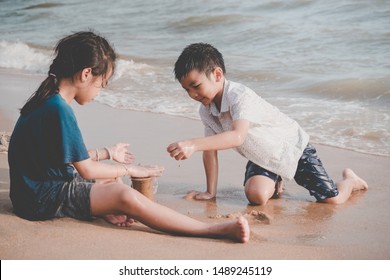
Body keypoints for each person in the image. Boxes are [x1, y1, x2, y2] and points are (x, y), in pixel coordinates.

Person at [7, 32, 249, 243]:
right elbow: (87, 171)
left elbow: (62, 157)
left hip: (31, 193)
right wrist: (131, 170)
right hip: (40, 200)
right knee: (122, 194)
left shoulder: (48, 100)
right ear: (86, 74)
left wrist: (109, 157)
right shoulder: (58, 109)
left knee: (110, 184)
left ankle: (104, 208)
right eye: (102, 83)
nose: (99, 91)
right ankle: (213, 230)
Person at [167, 43, 368, 205]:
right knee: (256, 197)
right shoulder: (207, 110)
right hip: (262, 156)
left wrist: (192, 144)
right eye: (187, 90)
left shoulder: (239, 96)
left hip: (292, 149)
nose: (193, 95)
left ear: (217, 75)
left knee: (332, 200)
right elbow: (210, 150)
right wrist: (210, 192)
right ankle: (276, 179)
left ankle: (350, 180)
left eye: (196, 86)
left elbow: (237, 137)